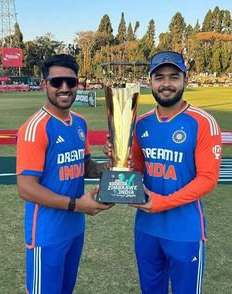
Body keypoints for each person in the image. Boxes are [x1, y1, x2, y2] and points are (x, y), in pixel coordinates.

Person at [105, 51, 222, 294]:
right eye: (159, 77)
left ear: (185, 80)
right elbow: (135, 170)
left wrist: (162, 202)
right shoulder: (141, 123)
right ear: (150, 82)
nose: (166, 84)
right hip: (147, 228)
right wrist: (117, 156)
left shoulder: (202, 122)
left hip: (185, 231)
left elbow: (208, 179)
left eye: (173, 77)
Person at [16, 54, 113, 294]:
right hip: (47, 234)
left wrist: (111, 165)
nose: (65, 88)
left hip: (74, 229)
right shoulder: (35, 128)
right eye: (57, 82)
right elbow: (26, 188)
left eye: (71, 82)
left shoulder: (79, 123)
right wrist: (77, 204)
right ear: (44, 84)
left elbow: (86, 166)